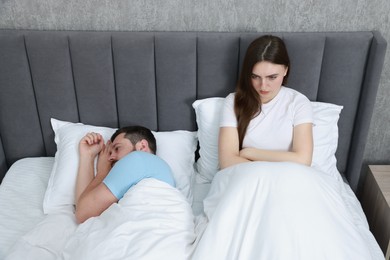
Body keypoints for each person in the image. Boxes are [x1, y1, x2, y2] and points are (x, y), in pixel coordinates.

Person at [218, 35, 313, 169]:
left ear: (285, 70)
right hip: (245, 178)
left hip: (286, 178)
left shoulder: (298, 103)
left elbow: (303, 160)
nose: (263, 86)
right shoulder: (233, 101)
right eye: (255, 77)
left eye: (272, 77)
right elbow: (227, 162)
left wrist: (250, 152)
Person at [74, 125, 175, 224]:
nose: (110, 158)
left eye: (117, 148)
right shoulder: (159, 169)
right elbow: (83, 207)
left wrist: (103, 171)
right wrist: (88, 156)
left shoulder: (137, 158)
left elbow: (83, 213)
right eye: (110, 153)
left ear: (142, 146)